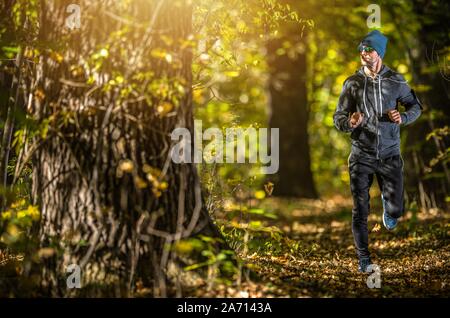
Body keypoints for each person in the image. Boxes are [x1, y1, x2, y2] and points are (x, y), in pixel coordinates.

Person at [333, 30, 422, 272]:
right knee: (360, 210)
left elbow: (416, 106)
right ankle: (364, 259)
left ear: (379, 53)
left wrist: (402, 117)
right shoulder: (352, 83)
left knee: (396, 210)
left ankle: (389, 204)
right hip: (361, 155)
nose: (364, 53)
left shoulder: (396, 81)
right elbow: (338, 117)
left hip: (390, 154)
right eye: (361, 49)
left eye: (369, 49)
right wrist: (349, 122)